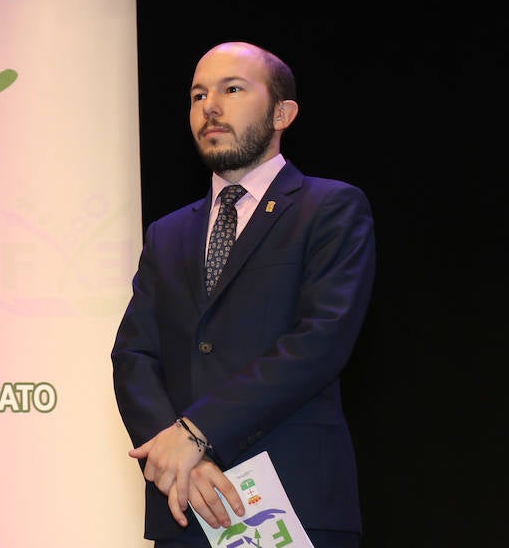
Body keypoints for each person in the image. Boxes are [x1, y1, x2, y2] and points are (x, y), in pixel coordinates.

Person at [111, 41, 375, 548]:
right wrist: (175, 450)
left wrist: (198, 432)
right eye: (197, 94)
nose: (209, 106)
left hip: (294, 497)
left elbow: (320, 340)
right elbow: (133, 354)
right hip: (185, 501)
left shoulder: (329, 207)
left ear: (283, 112)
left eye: (232, 89)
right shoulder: (167, 234)